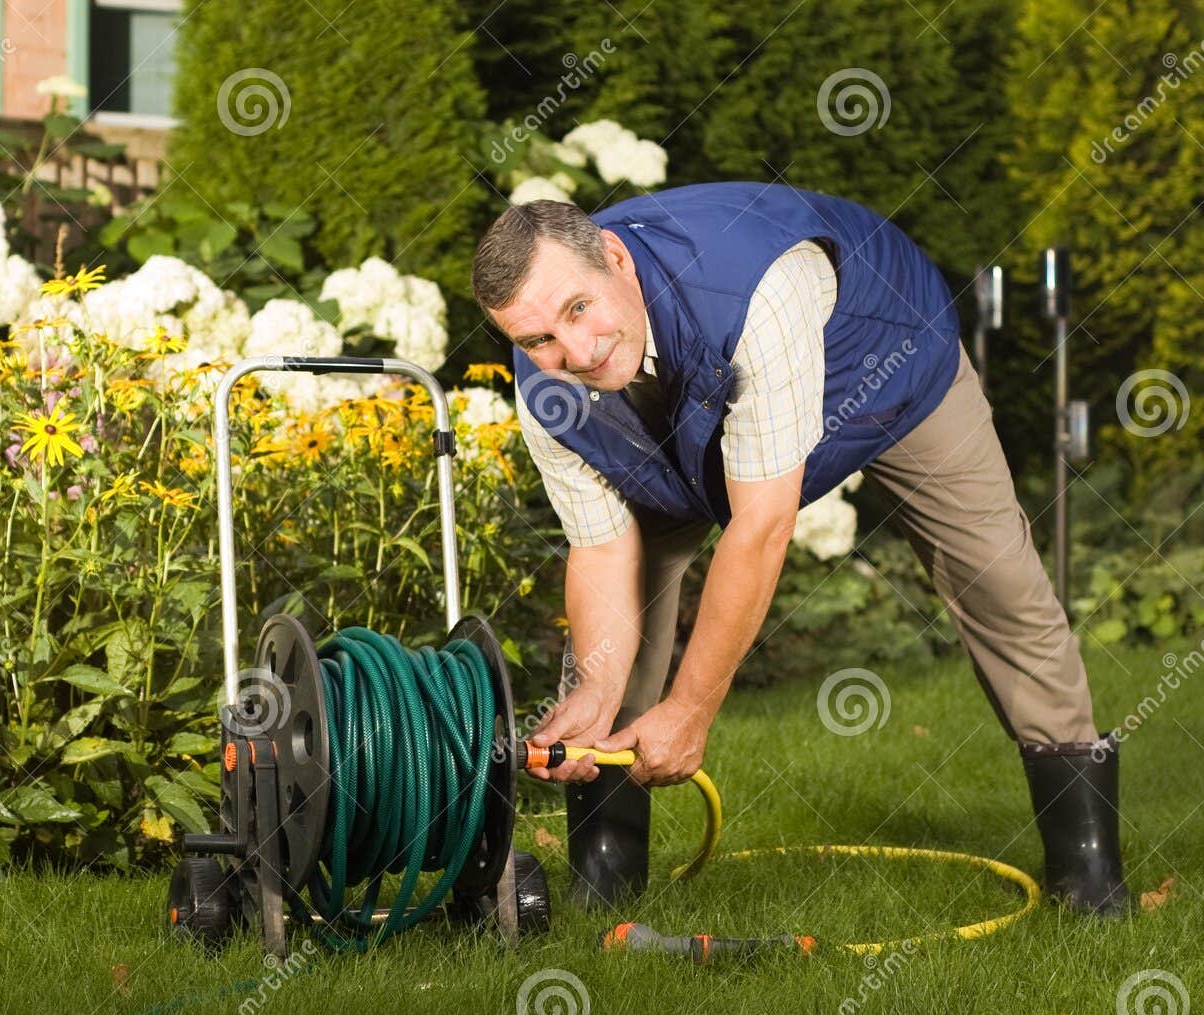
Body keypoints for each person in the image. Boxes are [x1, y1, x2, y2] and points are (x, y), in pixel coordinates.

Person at [471, 184, 1128, 916]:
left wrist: (691, 709)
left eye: (577, 309)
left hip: (888, 367)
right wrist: (596, 692)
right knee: (620, 630)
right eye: (537, 340)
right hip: (680, 439)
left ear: (617, 261)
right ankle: (608, 878)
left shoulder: (755, 284)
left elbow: (759, 527)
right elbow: (599, 552)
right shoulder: (549, 389)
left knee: (998, 578)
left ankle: (1088, 867)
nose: (574, 352)